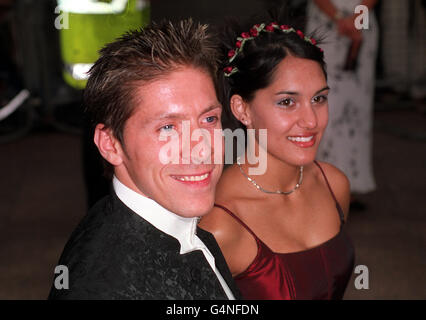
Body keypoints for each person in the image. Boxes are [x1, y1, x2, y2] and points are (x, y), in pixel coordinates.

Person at [48, 19, 241, 300]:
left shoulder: (170, 220)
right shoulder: (103, 286)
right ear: (110, 144)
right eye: (167, 128)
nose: (201, 149)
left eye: (209, 119)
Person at [199, 10, 355, 300]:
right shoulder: (220, 224)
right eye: (287, 102)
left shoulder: (334, 185)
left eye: (319, 99)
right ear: (241, 109)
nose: (311, 120)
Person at [306, 0, 379, 206]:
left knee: (357, 108)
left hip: (361, 21)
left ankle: (349, 184)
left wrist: (357, 18)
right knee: (324, 104)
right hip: (326, 22)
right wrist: (339, 18)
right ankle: (320, 184)